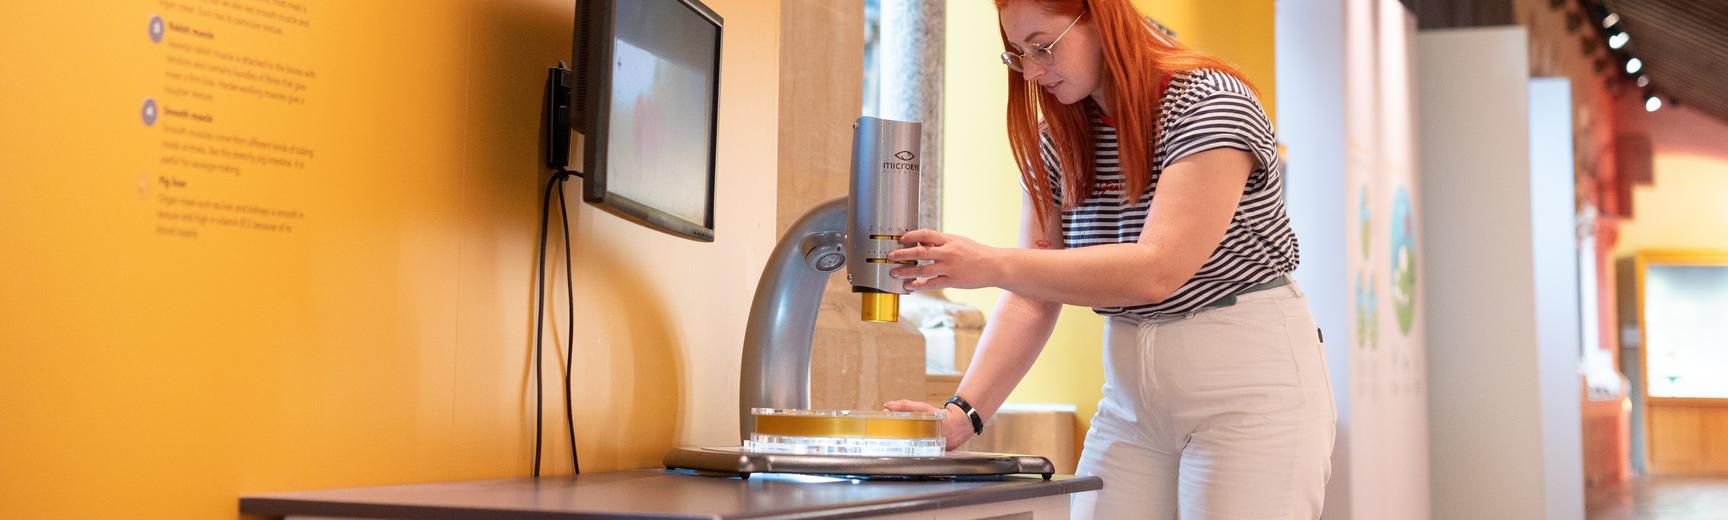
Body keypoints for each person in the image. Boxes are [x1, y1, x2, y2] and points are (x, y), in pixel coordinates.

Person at [881, 0, 1335, 518]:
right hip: (1130, 402)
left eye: (1043, 46)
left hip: (1249, 392)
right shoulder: (1059, 135)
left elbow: (1156, 271)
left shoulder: (1211, 102)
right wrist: (963, 414)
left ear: (1103, 19)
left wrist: (989, 264)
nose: (1031, 71)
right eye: (1017, 54)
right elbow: (1033, 293)